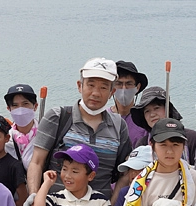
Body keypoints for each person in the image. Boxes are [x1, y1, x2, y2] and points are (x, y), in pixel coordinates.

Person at [27, 58, 132, 197]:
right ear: (79, 86)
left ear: (112, 92)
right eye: (91, 85)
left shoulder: (119, 125)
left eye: (103, 87)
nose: (96, 93)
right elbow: (37, 162)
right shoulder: (57, 117)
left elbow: (124, 173)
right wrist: (34, 198)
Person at [131, 87, 196, 159]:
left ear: (168, 109)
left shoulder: (191, 137)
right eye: (147, 111)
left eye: (156, 108)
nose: (152, 114)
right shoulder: (142, 143)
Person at [111, 60, 149, 146]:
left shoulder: (144, 119)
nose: (124, 88)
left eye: (129, 84)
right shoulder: (104, 117)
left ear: (137, 87)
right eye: (119, 84)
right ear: (112, 87)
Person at [3, 83, 39, 168]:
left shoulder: (46, 134)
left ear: (35, 106)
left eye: (25, 104)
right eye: (15, 105)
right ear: (9, 108)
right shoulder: (6, 139)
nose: (20, 109)